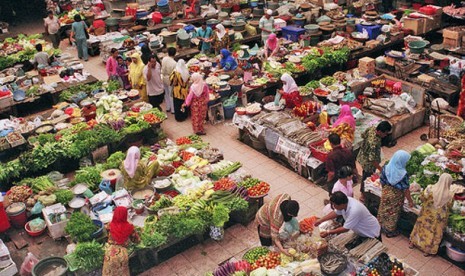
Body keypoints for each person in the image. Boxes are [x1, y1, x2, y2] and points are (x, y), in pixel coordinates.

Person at [409, 173, 454, 256]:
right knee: (433, 233)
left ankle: (413, 243)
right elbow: (450, 206)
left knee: (420, 228)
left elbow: (422, 198)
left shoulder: (430, 188)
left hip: (426, 214)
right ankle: (427, 250)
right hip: (438, 218)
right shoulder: (450, 194)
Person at [377, 150, 414, 238]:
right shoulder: (403, 174)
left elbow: (382, 180)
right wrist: (410, 201)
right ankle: (389, 231)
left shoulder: (386, 168)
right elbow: (406, 190)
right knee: (393, 213)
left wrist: (385, 190)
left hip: (386, 192)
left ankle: (380, 225)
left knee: (383, 208)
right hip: (396, 196)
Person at [315, 192, 381, 239]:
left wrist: (328, 232)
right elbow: (335, 213)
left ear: (342, 204)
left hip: (370, 232)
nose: (333, 207)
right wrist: (321, 220)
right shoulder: (345, 202)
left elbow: (345, 229)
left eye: (335, 205)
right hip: (360, 231)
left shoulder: (354, 210)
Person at [356, 121, 392, 201]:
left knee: (365, 174)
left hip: (362, 155)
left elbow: (363, 135)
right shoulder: (374, 143)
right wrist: (380, 169)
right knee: (366, 177)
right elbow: (372, 160)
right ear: (379, 131)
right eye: (385, 133)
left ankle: (364, 192)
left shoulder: (371, 129)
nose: (385, 135)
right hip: (368, 163)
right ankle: (363, 195)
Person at [102, 206, 139, 276]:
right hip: (122, 254)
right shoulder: (130, 227)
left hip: (110, 253)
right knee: (122, 273)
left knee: (109, 272)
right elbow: (136, 240)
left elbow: (105, 230)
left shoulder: (110, 225)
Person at [161, 47, 177, 114]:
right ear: (175, 54)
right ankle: (173, 110)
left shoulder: (164, 59)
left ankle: (168, 107)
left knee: (166, 93)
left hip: (164, 77)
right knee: (171, 94)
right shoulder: (174, 63)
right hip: (170, 79)